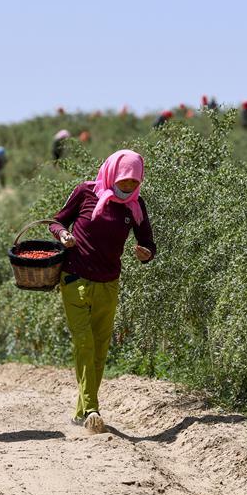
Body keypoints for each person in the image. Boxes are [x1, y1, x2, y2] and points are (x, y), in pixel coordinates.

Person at [49, 150, 157, 433]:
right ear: (112, 174)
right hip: (75, 279)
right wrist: (63, 235)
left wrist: (146, 253)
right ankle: (92, 408)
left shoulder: (135, 207)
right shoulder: (86, 192)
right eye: (124, 181)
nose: (128, 187)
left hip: (109, 284)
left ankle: (81, 411)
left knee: (99, 348)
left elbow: (148, 243)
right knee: (84, 342)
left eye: (134, 183)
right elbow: (56, 221)